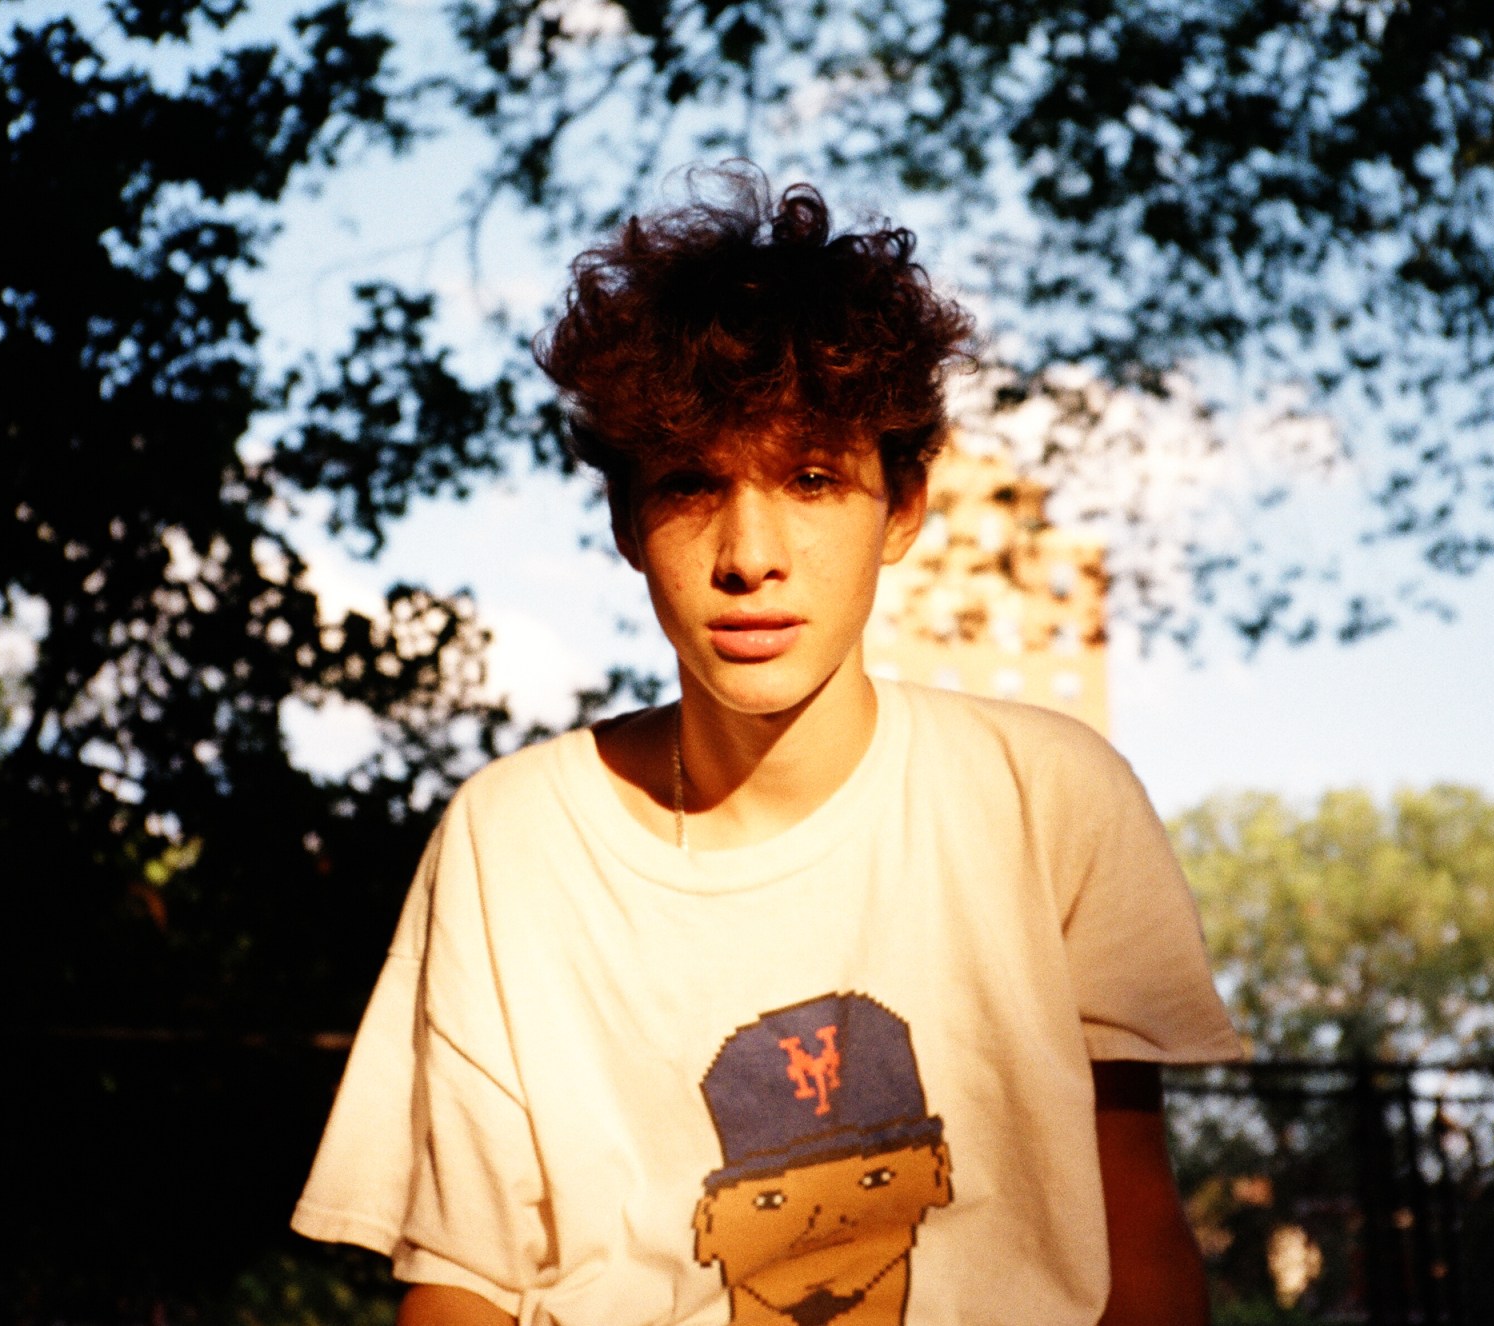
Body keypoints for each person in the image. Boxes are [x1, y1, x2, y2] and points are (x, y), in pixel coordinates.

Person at [290, 166, 1242, 1326]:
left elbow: (1135, 1242)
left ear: (900, 507)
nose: (750, 553)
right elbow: (465, 1282)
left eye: (807, 478)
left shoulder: (1046, 799)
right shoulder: (516, 840)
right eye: (692, 484)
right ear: (626, 522)